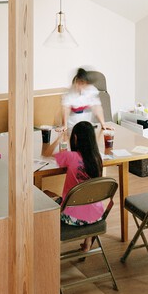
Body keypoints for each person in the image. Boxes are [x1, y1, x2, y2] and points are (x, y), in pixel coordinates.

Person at [42, 120, 104, 252]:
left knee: (46, 193)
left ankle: (45, 244)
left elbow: (45, 154)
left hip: (72, 218)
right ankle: (88, 242)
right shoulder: (98, 159)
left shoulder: (70, 157)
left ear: (75, 138)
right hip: (96, 215)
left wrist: (58, 138)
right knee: (87, 198)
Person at [61, 67, 108, 141]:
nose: (80, 86)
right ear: (76, 81)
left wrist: (103, 124)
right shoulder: (69, 93)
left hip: (87, 127)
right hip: (73, 127)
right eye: (79, 83)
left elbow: (97, 108)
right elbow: (65, 109)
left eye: (83, 83)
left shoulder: (92, 90)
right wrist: (64, 125)